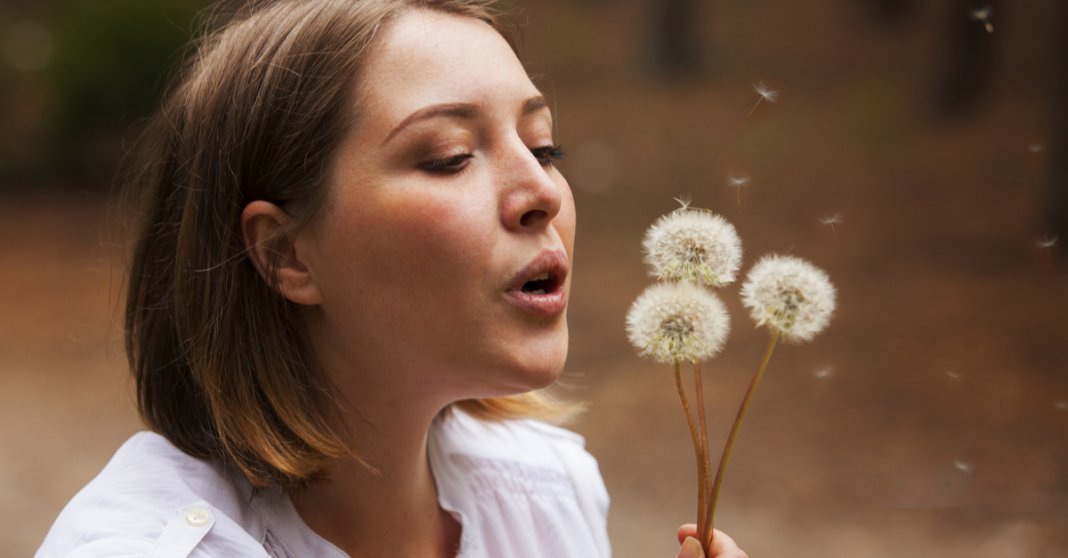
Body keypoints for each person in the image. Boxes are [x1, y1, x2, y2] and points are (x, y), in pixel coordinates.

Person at [36, 1, 747, 557]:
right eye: (450, 156)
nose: (543, 193)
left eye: (544, 146)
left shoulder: (550, 493)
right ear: (285, 255)